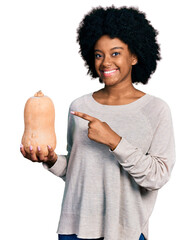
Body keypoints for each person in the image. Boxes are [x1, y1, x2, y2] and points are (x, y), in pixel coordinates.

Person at [20, 6, 175, 240]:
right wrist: (52, 160)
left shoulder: (155, 109)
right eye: (98, 54)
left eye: (115, 53)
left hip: (124, 232)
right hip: (74, 229)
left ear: (134, 56)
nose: (105, 63)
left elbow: (157, 177)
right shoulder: (79, 107)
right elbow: (77, 171)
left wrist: (114, 141)